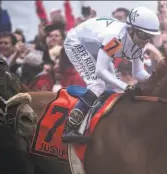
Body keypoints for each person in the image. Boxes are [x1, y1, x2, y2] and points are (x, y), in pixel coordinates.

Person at [62, 7, 160, 143]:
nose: (146, 40)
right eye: (143, 35)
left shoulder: (139, 44)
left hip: (96, 45)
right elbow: (100, 71)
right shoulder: (116, 39)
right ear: (131, 29)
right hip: (77, 42)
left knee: (116, 90)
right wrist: (126, 87)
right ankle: (70, 127)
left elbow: (138, 73)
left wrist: (155, 78)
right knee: (97, 84)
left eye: (149, 36)